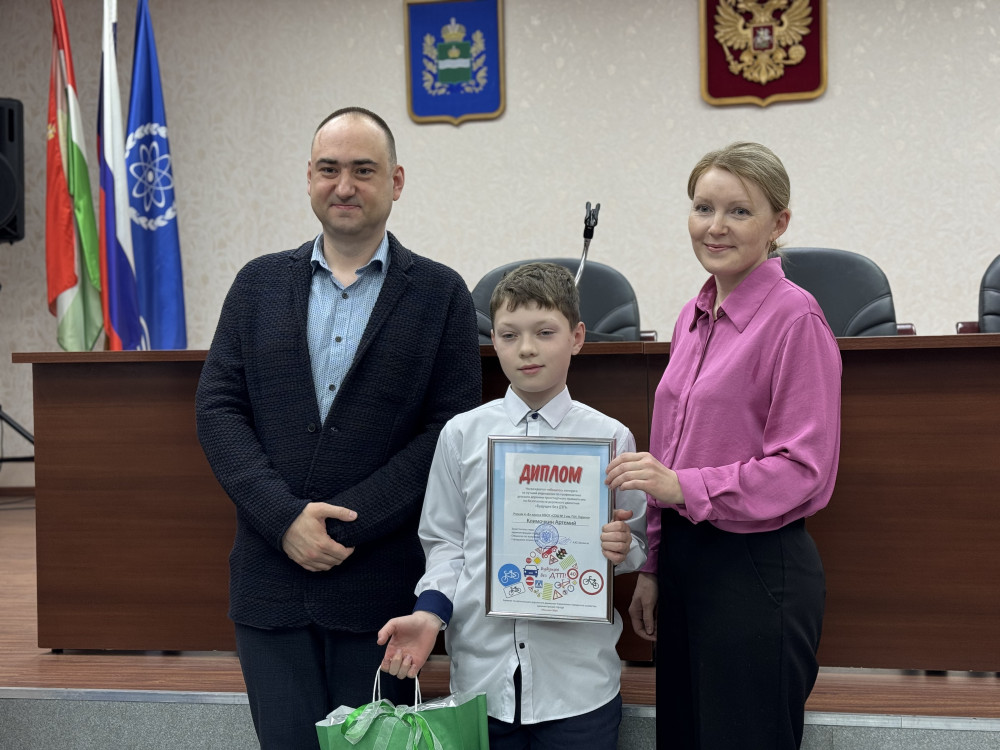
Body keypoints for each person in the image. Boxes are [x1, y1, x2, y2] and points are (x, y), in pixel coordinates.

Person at [194, 106, 482, 750]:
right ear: (309, 178)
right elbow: (217, 407)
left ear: (396, 181)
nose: (344, 186)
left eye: (363, 170)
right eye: (329, 169)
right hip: (270, 580)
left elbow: (449, 432)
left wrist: (343, 524)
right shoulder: (257, 284)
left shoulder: (440, 295)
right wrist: (284, 519)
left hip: (381, 592)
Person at [605, 142, 842, 750]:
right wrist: (654, 566)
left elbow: (803, 469)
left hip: (755, 569)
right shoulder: (693, 314)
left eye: (739, 211)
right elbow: (669, 451)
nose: (715, 226)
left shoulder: (796, 319)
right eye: (703, 207)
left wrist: (684, 486)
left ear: (778, 223)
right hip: (686, 561)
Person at [377, 262, 647, 750]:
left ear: (577, 337)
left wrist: (622, 547)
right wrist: (430, 614)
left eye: (545, 332)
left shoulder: (610, 437)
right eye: (509, 334)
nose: (526, 348)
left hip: (578, 687)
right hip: (482, 682)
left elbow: (636, 544)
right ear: (494, 341)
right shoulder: (463, 434)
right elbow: (445, 542)